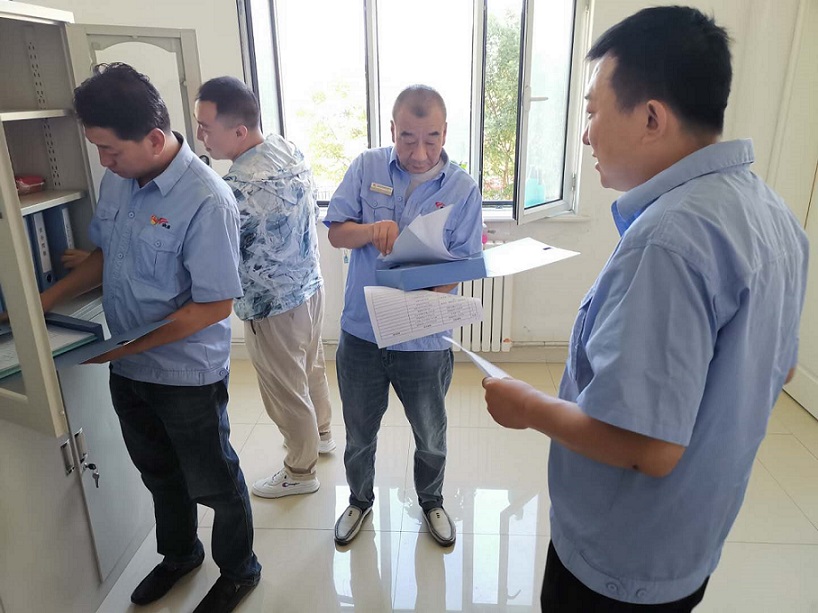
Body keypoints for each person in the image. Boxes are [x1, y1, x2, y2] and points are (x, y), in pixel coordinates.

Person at [483, 6, 809, 611]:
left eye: (591, 112)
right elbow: (781, 366)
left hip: (619, 558)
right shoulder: (773, 214)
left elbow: (648, 448)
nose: (586, 135)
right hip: (690, 538)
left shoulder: (668, 241)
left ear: (652, 117)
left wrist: (526, 405)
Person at [40, 63, 261, 613]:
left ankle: (240, 570)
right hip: (128, 369)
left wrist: (123, 348)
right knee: (159, 473)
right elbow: (106, 254)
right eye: (97, 148)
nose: (103, 161)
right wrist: (40, 301)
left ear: (155, 139)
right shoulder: (120, 179)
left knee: (214, 481)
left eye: (110, 149)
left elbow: (216, 304)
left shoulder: (207, 200)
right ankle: (181, 555)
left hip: (185, 376)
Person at [325, 85, 483, 547]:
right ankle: (359, 500)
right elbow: (336, 233)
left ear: (445, 132)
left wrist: (430, 292)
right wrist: (371, 230)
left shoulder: (462, 188)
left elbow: (466, 262)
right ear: (392, 129)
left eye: (431, 139)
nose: (419, 153)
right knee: (359, 432)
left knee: (430, 433)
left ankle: (432, 500)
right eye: (407, 139)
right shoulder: (367, 167)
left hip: (423, 339)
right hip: (362, 333)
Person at [194, 76, 335, 499]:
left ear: (239, 131)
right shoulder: (287, 149)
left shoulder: (235, 190)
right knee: (311, 368)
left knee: (285, 392)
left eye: (206, 127)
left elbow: (216, 255)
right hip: (310, 287)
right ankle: (322, 434)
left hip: (271, 305)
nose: (200, 136)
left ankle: (300, 471)